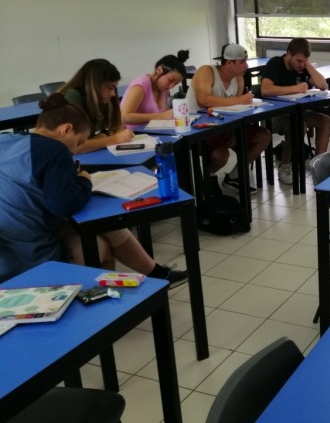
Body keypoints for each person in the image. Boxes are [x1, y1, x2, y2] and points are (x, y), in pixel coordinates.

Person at [0, 94, 187, 286]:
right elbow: (64, 206)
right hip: (28, 255)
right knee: (101, 245)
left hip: (9, 241)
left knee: (109, 228)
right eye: (79, 142)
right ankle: (105, 299)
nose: (75, 151)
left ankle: (155, 275)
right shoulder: (54, 150)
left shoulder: (8, 140)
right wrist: (84, 181)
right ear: (66, 129)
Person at [186, 44, 271, 192]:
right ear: (229, 62)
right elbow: (203, 101)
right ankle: (209, 177)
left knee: (263, 136)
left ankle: (235, 176)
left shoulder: (238, 79)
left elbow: (238, 110)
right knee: (220, 155)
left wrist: (235, 128)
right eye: (241, 62)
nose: (246, 65)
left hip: (224, 125)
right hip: (200, 128)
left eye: (246, 61)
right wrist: (240, 100)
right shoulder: (207, 71)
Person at [260, 38, 330, 185]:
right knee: (298, 125)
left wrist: (308, 66)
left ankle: (319, 164)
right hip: (274, 115)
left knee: (324, 120)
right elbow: (265, 90)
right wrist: (295, 89)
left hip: (295, 112)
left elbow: (322, 85)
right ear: (288, 54)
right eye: (298, 60)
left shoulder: (303, 67)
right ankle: (285, 166)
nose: (301, 65)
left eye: (304, 61)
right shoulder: (275, 64)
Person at [57, 59, 135, 154]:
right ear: (95, 85)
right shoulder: (72, 96)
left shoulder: (98, 99)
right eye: (110, 88)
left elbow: (118, 126)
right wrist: (113, 139)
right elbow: (74, 148)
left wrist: (105, 135)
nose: (113, 94)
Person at [120, 50, 189, 128]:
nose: (171, 86)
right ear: (159, 70)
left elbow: (165, 115)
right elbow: (125, 117)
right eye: (170, 80)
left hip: (153, 132)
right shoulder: (141, 84)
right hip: (134, 135)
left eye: (176, 84)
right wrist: (160, 116)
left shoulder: (164, 88)